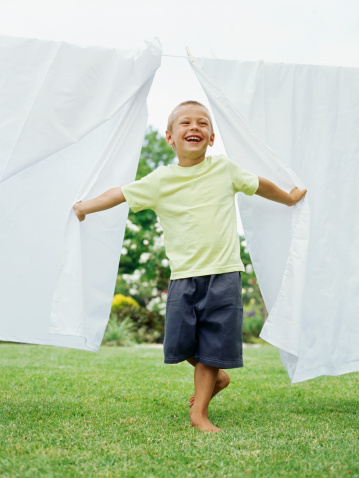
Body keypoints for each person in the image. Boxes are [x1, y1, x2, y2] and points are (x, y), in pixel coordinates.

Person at [74, 100, 307, 433]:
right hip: (183, 277)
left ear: (211, 138)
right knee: (178, 344)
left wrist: (289, 197)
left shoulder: (224, 168)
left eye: (202, 123)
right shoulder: (160, 181)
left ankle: (199, 412)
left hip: (224, 273)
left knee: (213, 342)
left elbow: (259, 184)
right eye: (185, 123)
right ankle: (217, 377)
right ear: (170, 137)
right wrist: (85, 207)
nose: (194, 127)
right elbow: (120, 194)